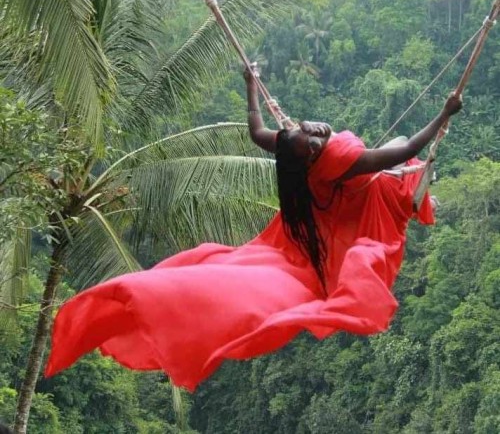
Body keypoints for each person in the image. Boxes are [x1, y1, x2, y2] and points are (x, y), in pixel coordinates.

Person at [45, 66, 462, 392]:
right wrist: (443, 114)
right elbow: (407, 150)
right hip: (360, 202)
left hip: (344, 202)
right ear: (311, 159)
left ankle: (419, 191)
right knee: (401, 149)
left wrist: (250, 84)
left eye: (307, 133)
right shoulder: (337, 162)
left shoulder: (289, 146)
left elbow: (257, 130)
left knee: (398, 156)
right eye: (312, 144)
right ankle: (419, 194)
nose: (315, 136)